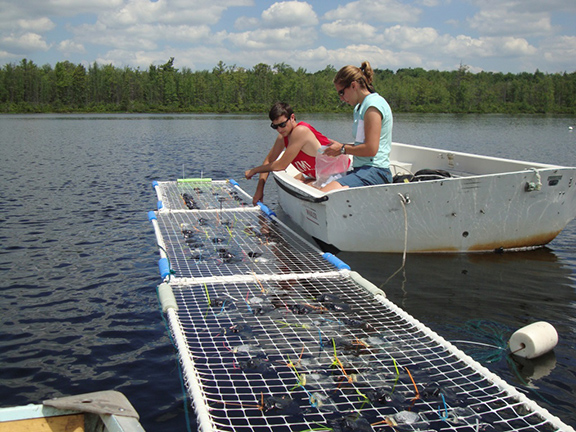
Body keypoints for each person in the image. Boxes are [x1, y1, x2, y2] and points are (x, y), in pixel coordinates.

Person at [321, 61, 393, 191]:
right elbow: (362, 145)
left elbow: (371, 149)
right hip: (362, 170)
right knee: (318, 184)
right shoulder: (360, 107)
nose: (341, 99)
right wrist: (338, 147)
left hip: (376, 171)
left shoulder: (373, 106)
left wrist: (342, 149)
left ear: (353, 85)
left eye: (341, 93)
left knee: (325, 193)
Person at [245, 102, 331, 205]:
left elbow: (281, 165)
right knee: (297, 182)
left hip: (334, 176)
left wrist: (254, 170)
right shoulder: (283, 137)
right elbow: (269, 160)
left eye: (282, 124)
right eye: (275, 126)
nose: (279, 130)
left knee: (300, 188)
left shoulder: (301, 131)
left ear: (292, 117)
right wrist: (260, 189)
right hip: (317, 176)